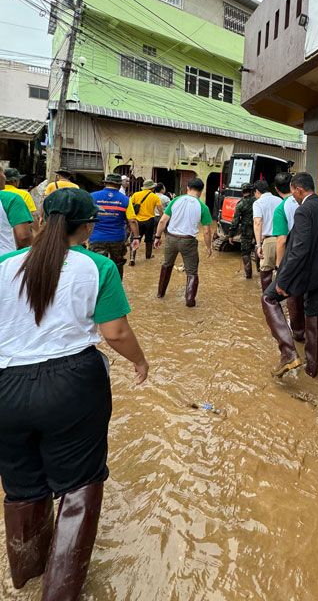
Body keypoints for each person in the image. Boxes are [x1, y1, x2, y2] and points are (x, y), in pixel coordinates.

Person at [0, 188, 148, 599]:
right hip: (72, 384)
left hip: (6, 387)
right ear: (87, 228)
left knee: (22, 486)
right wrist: (140, 361)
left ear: (43, 220)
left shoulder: (4, 264)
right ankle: (60, 593)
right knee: (78, 486)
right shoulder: (98, 266)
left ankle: (25, 577)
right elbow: (115, 332)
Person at [263, 172, 318, 378]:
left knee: (268, 297)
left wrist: (283, 280)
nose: (293, 197)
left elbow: (299, 249)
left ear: (299, 190)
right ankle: (312, 368)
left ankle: (288, 353)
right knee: (314, 311)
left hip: (303, 273)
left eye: (293, 193)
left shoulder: (303, 211)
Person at [154, 177, 213, 307]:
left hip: (171, 239)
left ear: (187, 188)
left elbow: (163, 221)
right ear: (201, 191)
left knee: (167, 265)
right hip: (188, 241)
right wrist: (209, 247)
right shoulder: (203, 207)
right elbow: (207, 231)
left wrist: (157, 237)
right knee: (192, 272)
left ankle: (160, 294)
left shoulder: (175, 200)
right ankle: (190, 301)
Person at [271, 172, 306, 342]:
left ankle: (297, 334)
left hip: (294, 256)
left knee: (291, 296)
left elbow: (282, 240)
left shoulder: (281, 208)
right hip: (311, 255)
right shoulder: (309, 201)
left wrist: (279, 268)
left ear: (276, 189)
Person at [89, 174, 140, 279]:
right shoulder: (125, 200)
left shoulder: (92, 196)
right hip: (117, 238)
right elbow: (132, 220)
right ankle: (116, 287)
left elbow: (86, 216)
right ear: (119, 185)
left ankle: (98, 290)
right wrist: (136, 237)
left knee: (98, 266)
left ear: (105, 183)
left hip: (96, 238)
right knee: (117, 264)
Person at [253, 179, 282, 291]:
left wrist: (258, 245)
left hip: (269, 241)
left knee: (266, 273)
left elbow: (257, 222)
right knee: (281, 271)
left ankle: (267, 301)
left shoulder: (258, 203)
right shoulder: (279, 200)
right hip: (282, 239)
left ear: (257, 191)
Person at [0, 166, 33, 255]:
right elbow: (24, 237)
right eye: (2, 173)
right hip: (5, 259)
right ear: (15, 181)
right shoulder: (14, 198)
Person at [129, 179, 163, 265]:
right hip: (149, 221)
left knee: (135, 238)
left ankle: (132, 258)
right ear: (152, 188)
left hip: (137, 221)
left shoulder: (136, 194)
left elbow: (129, 206)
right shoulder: (155, 197)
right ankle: (148, 256)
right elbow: (160, 210)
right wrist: (162, 219)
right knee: (149, 240)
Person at [228, 182, 255, 279]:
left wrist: (231, 235)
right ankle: (261, 270)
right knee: (260, 248)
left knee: (245, 252)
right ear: (252, 191)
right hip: (259, 229)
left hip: (246, 231)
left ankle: (248, 275)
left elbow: (235, 221)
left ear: (242, 191)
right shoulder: (257, 201)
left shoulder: (240, 204)